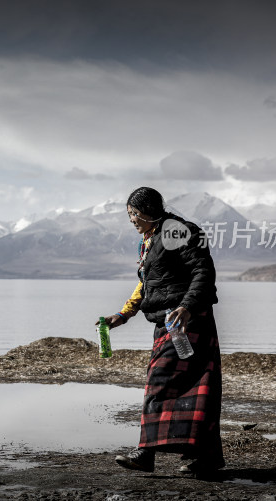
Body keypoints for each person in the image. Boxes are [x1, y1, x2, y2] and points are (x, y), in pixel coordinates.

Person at [100, 187, 224, 478]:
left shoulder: (178, 231)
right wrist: (123, 314)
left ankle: (146, 453)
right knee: (196, 392)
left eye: (134, 213)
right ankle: (205, 459)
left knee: (160, 382)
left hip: (187, 321)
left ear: (148, 210)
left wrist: (188, 306)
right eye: (129, 214)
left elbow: (203, 271)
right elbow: (147, 284)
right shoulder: (150, 239)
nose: (131, 219)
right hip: (168, 321)